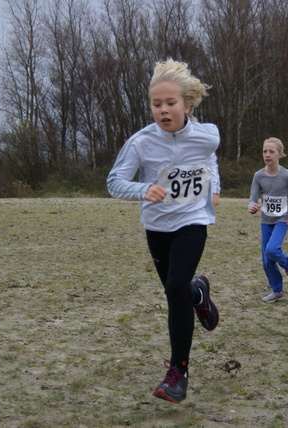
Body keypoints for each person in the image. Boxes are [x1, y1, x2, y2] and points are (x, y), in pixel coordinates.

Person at [106, 59, 220, 404]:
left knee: (173, 289)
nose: (164, 110)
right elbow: (114, 182)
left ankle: (178, 373)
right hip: (157, 226)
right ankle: (198, 293)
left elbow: (210, 158)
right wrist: (143, 190)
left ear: (187, 103)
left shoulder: (207, 134)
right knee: (180, 290)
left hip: (192, 220)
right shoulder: (141, 142)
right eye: (157, 104)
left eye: (170, 103)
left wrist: (214, 186)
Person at [249, 138, 288, 303]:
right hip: (265, 221)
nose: (267, 155)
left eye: (271, 152)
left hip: (282, 220)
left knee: (273, 250)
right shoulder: (258, 176)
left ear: (280, 154)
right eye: (264, 151)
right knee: (267, 260)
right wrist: (252, 206)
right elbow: (252, 199)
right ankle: (277, 291)